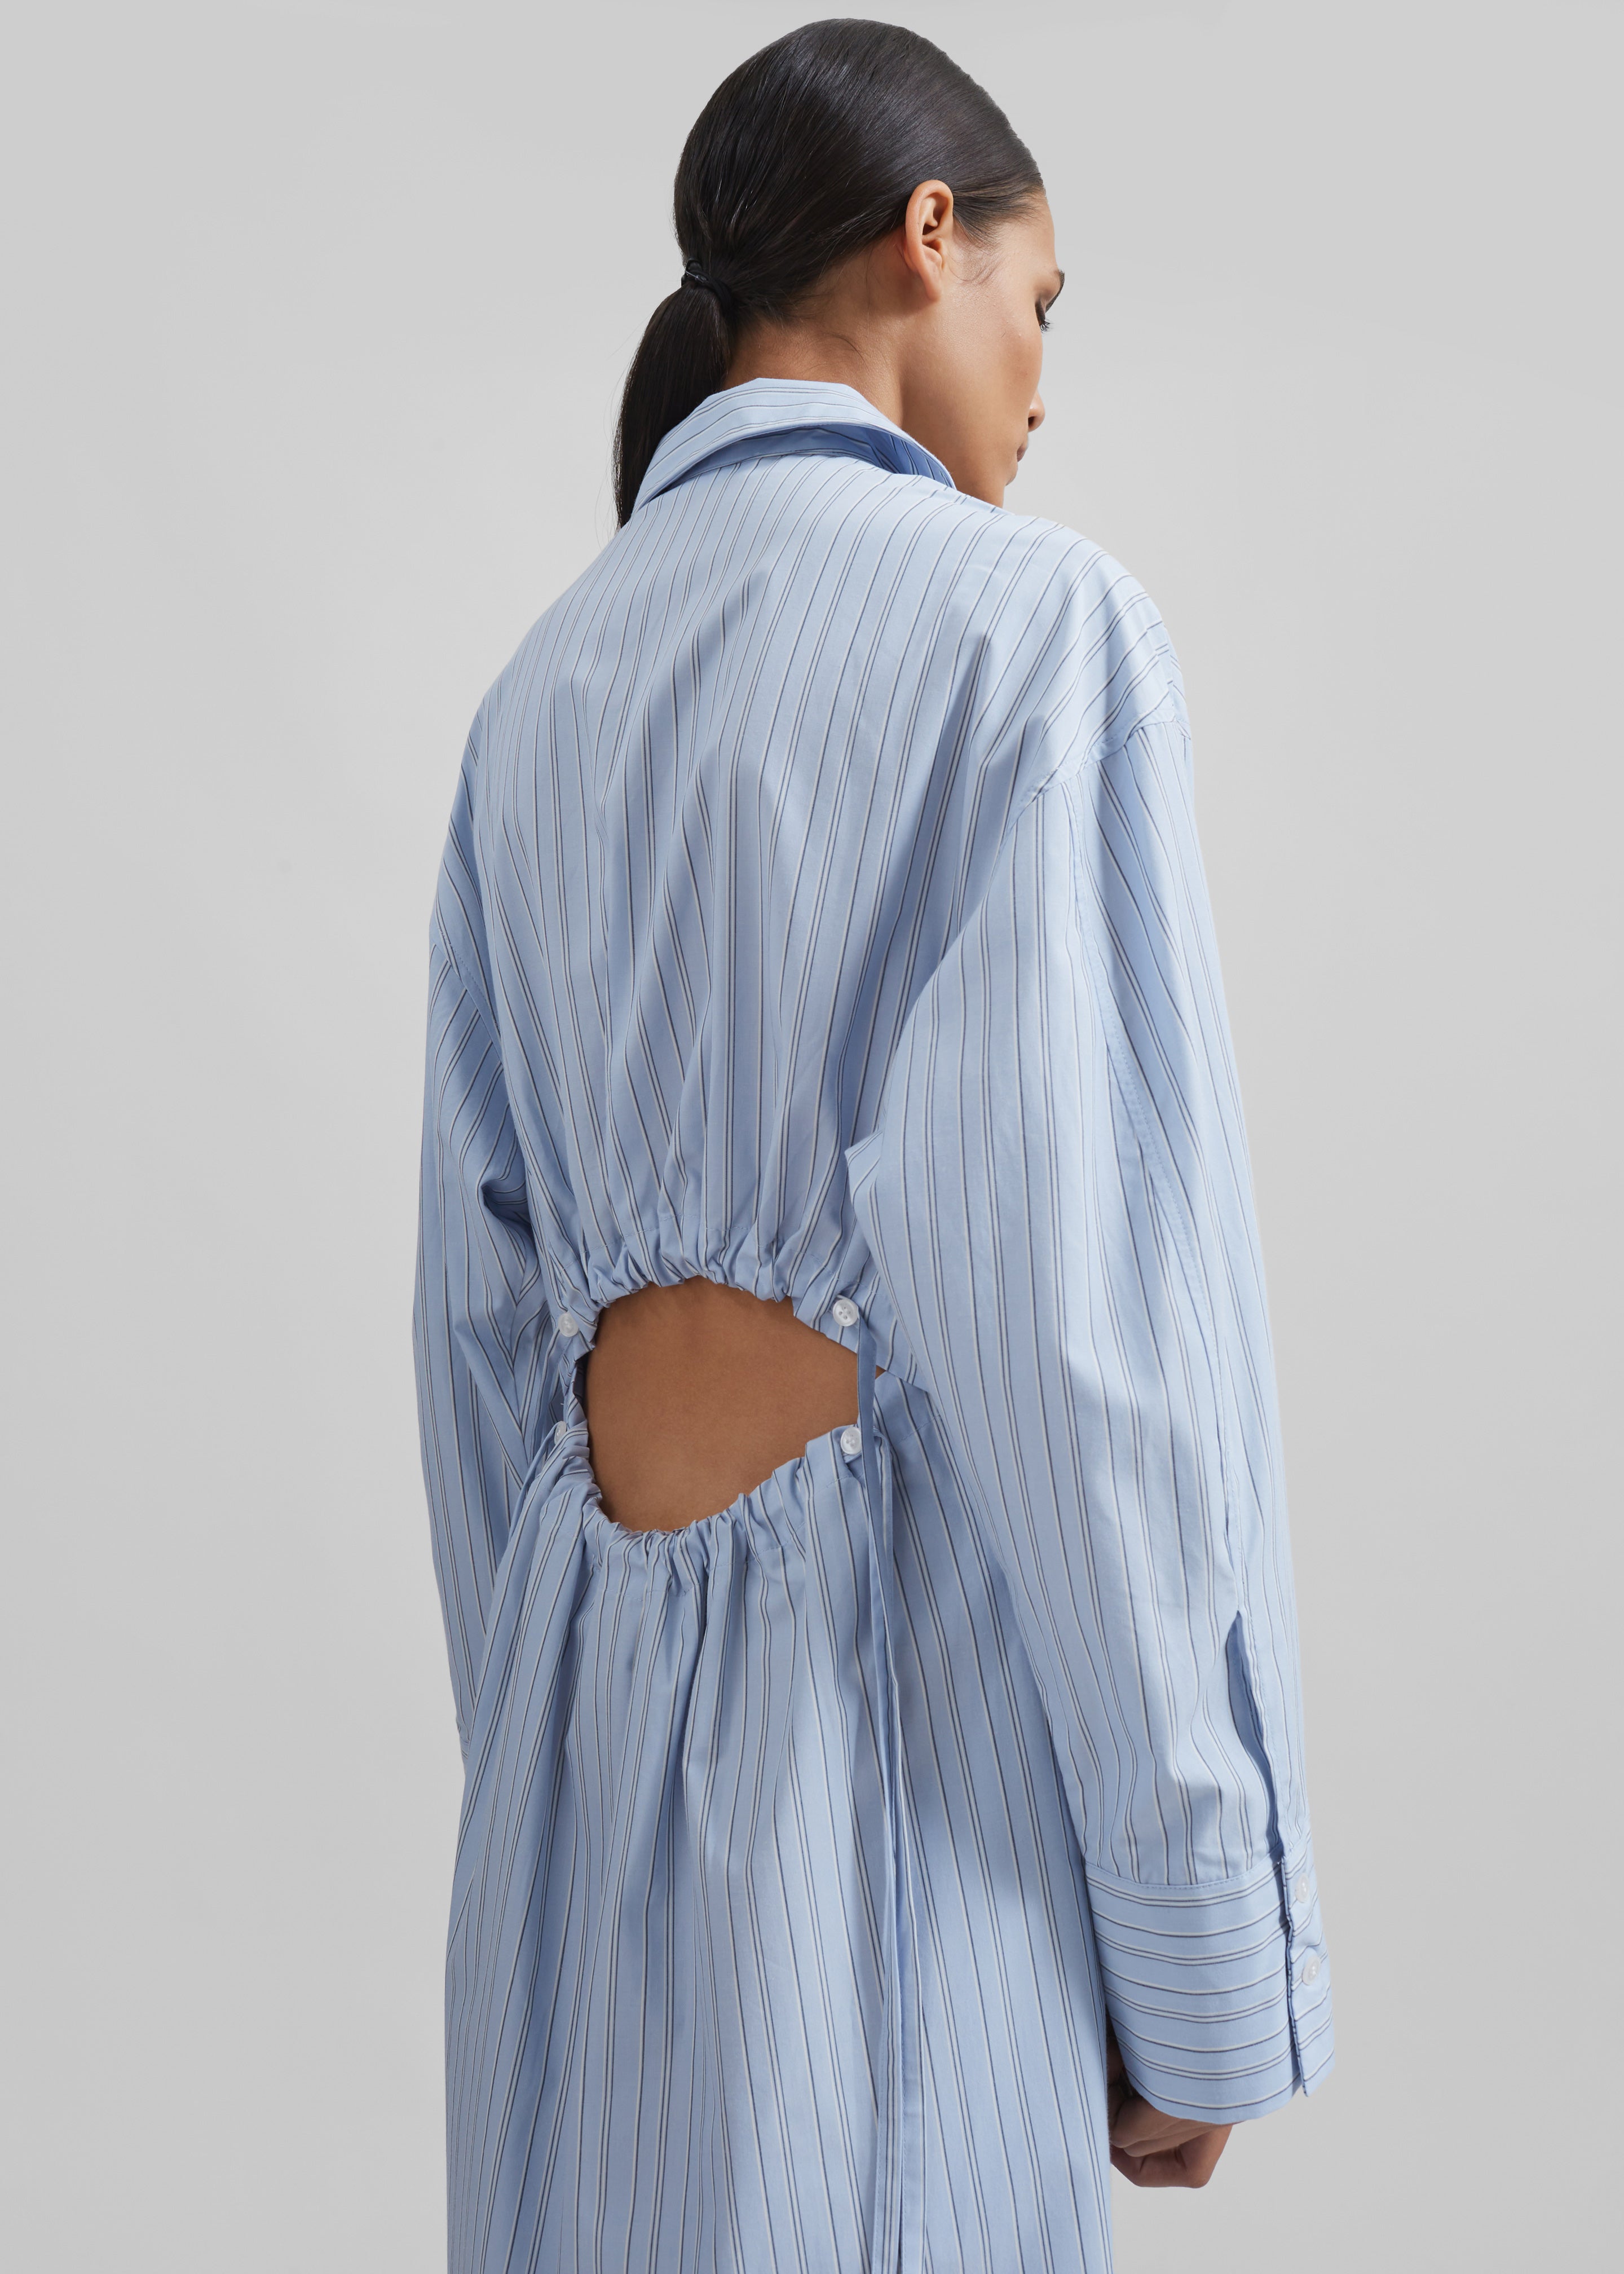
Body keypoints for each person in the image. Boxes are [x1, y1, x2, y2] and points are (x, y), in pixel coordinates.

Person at [413, 19, 1332, 2272]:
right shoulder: (1035, 628)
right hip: (905, 1762)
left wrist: (548, 1765)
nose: (1045, 381)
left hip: (576, 1793)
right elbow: (1084, 1330)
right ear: (933, 235)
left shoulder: (542, 688)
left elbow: (475, 1356)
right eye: (1044, 299)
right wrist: (1205, 1943)